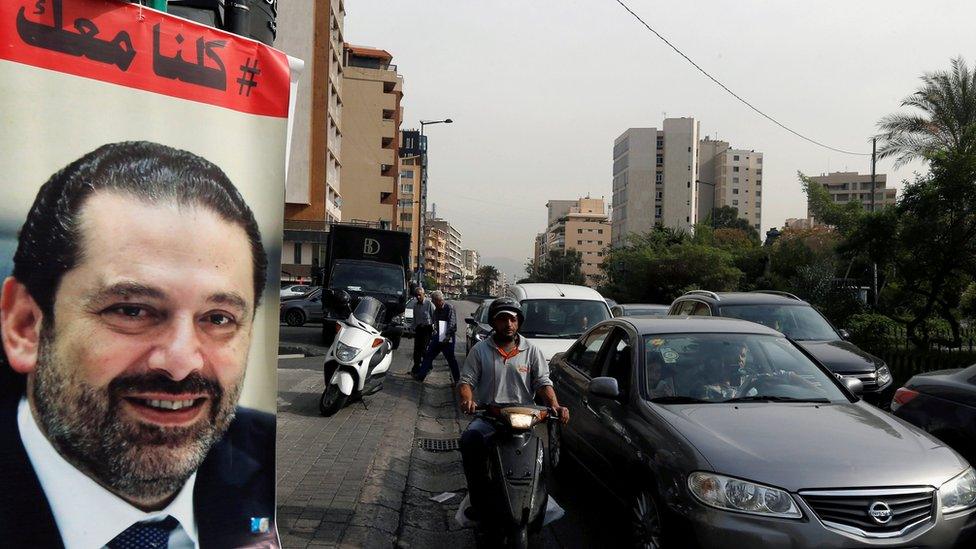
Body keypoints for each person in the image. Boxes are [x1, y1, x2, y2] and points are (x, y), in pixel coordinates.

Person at [0, 142, 276, 548]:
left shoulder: (270, 464)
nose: (181, 363)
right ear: (25, 326)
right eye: (132, 311)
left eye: (218, 319)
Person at [456, 298, 570, 519]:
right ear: (494, 322)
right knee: (469, 440)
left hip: (524, 419)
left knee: (540, 457)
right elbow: (466, 382)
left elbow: (543, 383)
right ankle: (478, 499)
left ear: (519, 322)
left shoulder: (532, 350)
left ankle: (537, 500)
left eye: (513, 319)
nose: (508, 323)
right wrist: (467, 400)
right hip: (490, 416)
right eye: (502, 319)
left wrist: (554, 405)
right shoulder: (480, 350)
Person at [414, 290, 461, 383]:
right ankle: (421, 376)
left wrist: (447, 337)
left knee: (451, 359)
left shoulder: (449, 308)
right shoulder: (436, 310)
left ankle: (457, 380)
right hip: (438, 336)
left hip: (448, 337)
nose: (433, 303)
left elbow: (451, 324)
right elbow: (435, 322)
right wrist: (434, 331)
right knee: (428, 355)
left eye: (434, 301)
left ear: (439, 300)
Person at [410, 287, 435, 376]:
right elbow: (415, 319)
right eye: (416, 295)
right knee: (417, 349)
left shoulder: (429, 304)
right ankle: (416, 367)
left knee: (424, 349)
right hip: (419, 329)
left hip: (427, 329)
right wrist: (411, 329)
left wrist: (435, 330)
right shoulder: (415, 305)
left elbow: (434, 317)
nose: (418, 297)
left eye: (420, 295)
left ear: (423, 294)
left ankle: (427, 367)